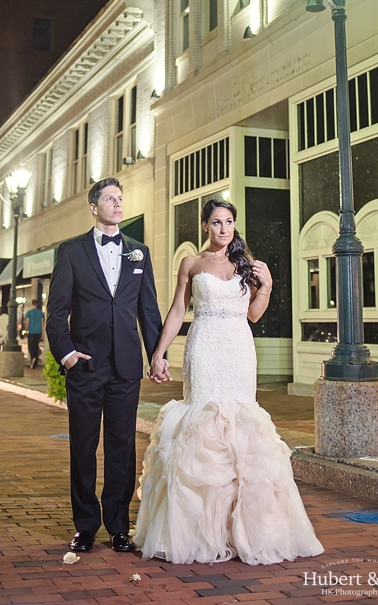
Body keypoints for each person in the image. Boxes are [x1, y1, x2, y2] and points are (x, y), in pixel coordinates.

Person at [134, 199, 324, 566]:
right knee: (203, 425)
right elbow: (177, 310)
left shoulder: (246, 266)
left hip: (238, 349)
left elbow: (253, 315)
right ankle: (199, 530)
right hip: (203, 346)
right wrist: (158, 353)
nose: (224, 229)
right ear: (205, 225)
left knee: (242, 427)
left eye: (230, 222)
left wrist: (266, 287)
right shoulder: (191, 263)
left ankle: (246, 532)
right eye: (217, 222)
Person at [46, 177, 162, 555]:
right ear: (94, 207)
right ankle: (84, 527)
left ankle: (117, 525)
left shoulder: (139, 252)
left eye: (120, 198)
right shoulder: (71, 251)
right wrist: (67, 355)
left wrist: (156, 355)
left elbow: (148, 312)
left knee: (122, 447)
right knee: (83, 446)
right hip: (86, 364)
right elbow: (56, 313)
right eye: (110, 199)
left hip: (126, 367)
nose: (118, 203)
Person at [24, 299, 44, 369]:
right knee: (36, 345)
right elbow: (42, 323)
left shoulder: (29, 313)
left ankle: (33, 357)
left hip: (31, 331)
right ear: (37, 304)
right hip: (38, 331)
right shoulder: (41, 313)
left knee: (30, 346)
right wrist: (42, 333)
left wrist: (26, 329)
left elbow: (27, 322)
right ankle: (36, 358)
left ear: (31, 304)